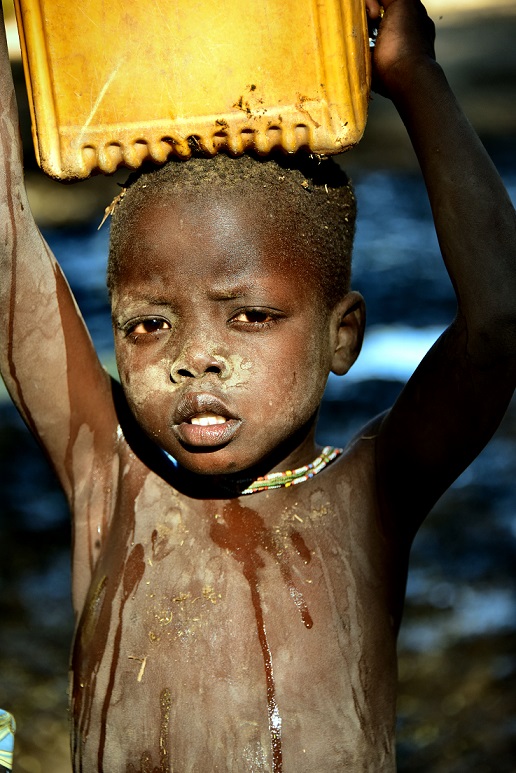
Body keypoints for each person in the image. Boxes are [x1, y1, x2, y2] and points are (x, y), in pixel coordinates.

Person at [0, 0, 514, 770]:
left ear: (343, 335)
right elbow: (7, 246)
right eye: (149, 325)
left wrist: (416, 76)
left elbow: (501, 321)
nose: (195, 358)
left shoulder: (369, 500)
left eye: (251, 316)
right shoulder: (110, 485)